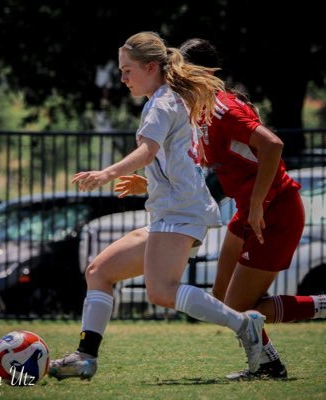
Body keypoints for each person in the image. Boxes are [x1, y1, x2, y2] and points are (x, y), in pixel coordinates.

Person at [48, 31, 265, 382]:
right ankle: (85, 357)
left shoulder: (163, 102)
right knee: (99, 272)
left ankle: (244, 323)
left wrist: (108, 172)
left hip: (181, 214)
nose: (122, 78)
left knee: (161, 291)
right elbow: (176, 163)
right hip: (174, 211)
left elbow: (147, 151)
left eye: (127, 70)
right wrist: (149, 183)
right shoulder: (165, 100)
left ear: (151, 67)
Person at [114, 38, 326, 381]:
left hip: (275, 212)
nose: (175, 77)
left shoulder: (223, 108)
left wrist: (257, 204)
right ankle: (267, 361)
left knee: (241, 308)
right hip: (248, 213)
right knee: (221, 300)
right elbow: (193, 174)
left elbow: (273, 145)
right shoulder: (193, 111)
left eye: (181, 69)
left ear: (204, 73)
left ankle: (315, 312)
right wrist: (148, 185)